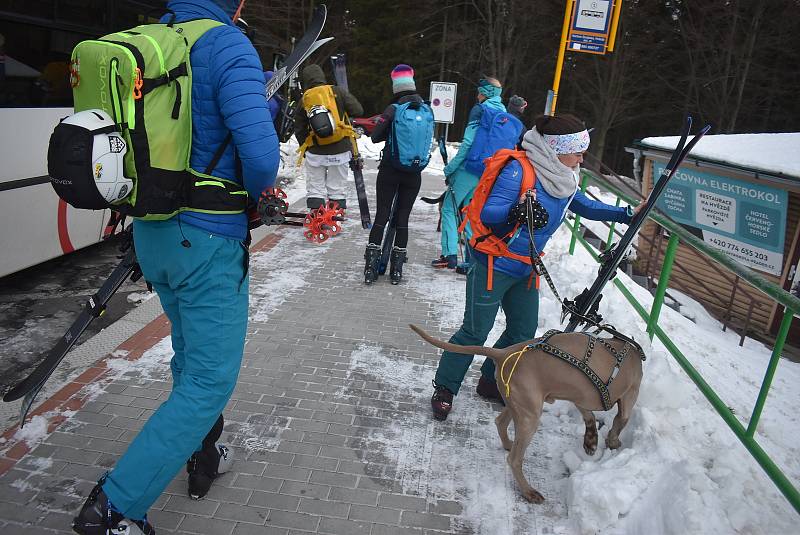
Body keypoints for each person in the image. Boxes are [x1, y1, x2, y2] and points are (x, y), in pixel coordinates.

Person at [72, 1, 280, 533]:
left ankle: (202, 454)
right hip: (207, 238)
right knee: (209, 379)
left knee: (191, 358)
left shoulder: (158, 38)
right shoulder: (228, 44)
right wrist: (253, 194)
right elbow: (260, 157)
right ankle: (115, 508)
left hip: (152, 231)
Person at [430, 113, 643, 421]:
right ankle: (445, 388)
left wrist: (625, 213)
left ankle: (490, 378)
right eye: (577, 150)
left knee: (522, 330)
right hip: (494, 262)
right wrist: (519, 211)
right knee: (475, 331)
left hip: (526, 266)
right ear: (555, 149)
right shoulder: (520, 170)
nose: (582, 156)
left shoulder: (565, 176)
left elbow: (581, 204)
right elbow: (490, 213)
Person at [363, 64, 430, 284]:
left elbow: (374, 137)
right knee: (403, 219)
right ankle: (397, 270)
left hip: (390, 171)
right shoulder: (426, 109)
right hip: (414, 173)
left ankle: (371, 268)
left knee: (382, 215)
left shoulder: (393, 108)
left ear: (396, 86)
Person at [431, 77, 505, 270]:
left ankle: (449, 255)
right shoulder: (503, 112)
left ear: (486, 93)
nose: (477, 95)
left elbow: (468, 144)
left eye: (480, 91)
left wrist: (450, 167)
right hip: (488, 171)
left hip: (469, 169)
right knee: (470, 212)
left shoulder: (480, 110)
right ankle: (473, 259)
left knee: (449, 209)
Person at [294, 64, 363, 211]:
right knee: (336, 188)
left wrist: (306, 149)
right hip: (341, 148)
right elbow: (358, 110)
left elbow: (299, 128)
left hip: (315, 152)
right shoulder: (337, 91)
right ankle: (334, 219)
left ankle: (317, 222)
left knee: (315, 188)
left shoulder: (305, 99)